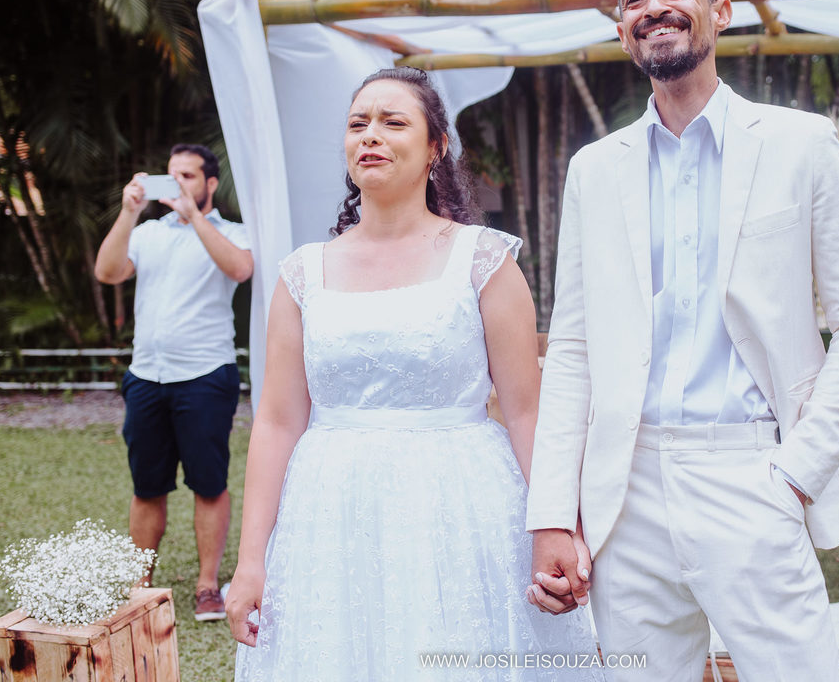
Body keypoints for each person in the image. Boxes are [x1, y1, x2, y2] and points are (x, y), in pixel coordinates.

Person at [525, 0, 839, 681]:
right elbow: (572, 350)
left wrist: (796, 471)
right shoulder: (594, 170)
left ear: (721, 12)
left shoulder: (800, 145)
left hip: (753, 473)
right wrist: (553, 515)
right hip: (625, 493)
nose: (654, 7)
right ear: (621, 29)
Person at [227, 67, 602, 680]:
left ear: (436, 148)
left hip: (461, 506)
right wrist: (250, 561)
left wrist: (557, 525)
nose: (370, 135)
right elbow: (276, 422)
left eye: (393, 122)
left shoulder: (483, 259)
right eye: (358, 123)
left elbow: (526, 411)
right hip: (330, 511)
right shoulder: (302, 273)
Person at [95, 143, 253, 622]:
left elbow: (240, 269)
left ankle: (207, 586)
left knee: (209, 484)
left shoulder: (233, 232)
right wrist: (129, 212)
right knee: (147, 486)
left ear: (210, 183)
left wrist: (193, 217)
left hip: (206, 375)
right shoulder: (148, 233)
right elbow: (107, 272)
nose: (178, 183)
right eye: (171, 174)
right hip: (147, 376)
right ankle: (139, 586)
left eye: (188, 175)